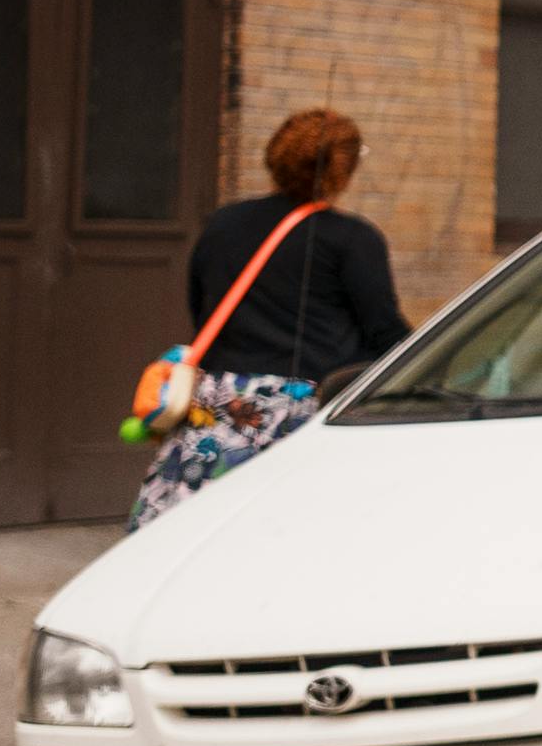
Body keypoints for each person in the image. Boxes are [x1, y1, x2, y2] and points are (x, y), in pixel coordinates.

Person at [132, 107, 411, 524]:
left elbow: (202, 308)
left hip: (218, 406)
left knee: (193, 535)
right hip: (304, 412)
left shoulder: (223, 225)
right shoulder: (353, 239)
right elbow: (384, 332)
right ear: (343, 169)